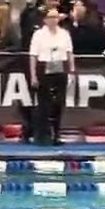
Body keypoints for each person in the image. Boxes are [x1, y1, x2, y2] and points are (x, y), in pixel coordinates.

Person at [29, 8, 75, 146]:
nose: (54, 20)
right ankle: (43, 135)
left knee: (58, 103)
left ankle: (56, 134)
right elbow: (33, 56)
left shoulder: (64, 34)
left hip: (60, 68)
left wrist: (72, 70)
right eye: (51, 17)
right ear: (45, 19)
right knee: (44, 104)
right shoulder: (39, 34)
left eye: (56, 17)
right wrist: (33, 75)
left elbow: (69, 53)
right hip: (44, 68)